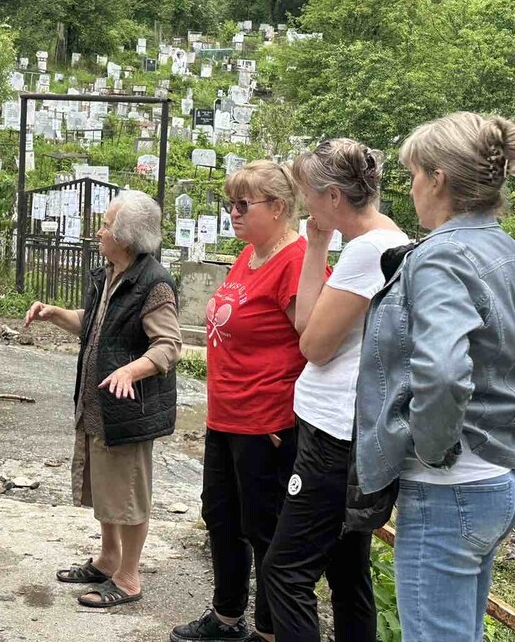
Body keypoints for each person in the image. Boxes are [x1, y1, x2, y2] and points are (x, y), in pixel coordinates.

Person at [355, 113, 515, 641]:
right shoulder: (511, 253)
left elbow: (442, 372)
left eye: (415, 174)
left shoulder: (439, 256)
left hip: (451, 484)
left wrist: (435, 446)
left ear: (438, 178)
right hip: (504, 478)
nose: (411, 187)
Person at [262, 140, 408, 642]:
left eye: (306, 194)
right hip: (354, 429)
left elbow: (315, 347)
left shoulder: (368, 252)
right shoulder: (385, 239)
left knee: (286, 572)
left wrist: (327, 250)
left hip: (332, 434)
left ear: (331, 196)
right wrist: (318, 245)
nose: (304, 204)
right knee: (348, 572)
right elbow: (307, 320)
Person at [172, 161, 319, 642]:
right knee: (220, 515)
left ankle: (270, 629)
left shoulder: (294, 259)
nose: (232, 213)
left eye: (243, 204)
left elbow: (313, 338)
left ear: (277, 207)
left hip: (267, 419)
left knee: (264, 527)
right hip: (226, 414)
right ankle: (226, 615)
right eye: (229, 203)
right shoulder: (249, 255)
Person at [24, 190, 181, 608]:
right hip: (99, 405)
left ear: (126, 237)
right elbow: (92, 325)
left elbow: (168, 345)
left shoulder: (154, 284)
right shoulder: (107, 273)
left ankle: (129, 578)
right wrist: (54, 313)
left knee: (127, 493)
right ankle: (108, 558)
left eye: (107, 225)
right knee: (105, 487)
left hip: (130, 409)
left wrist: (132, 369)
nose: (99, 231)